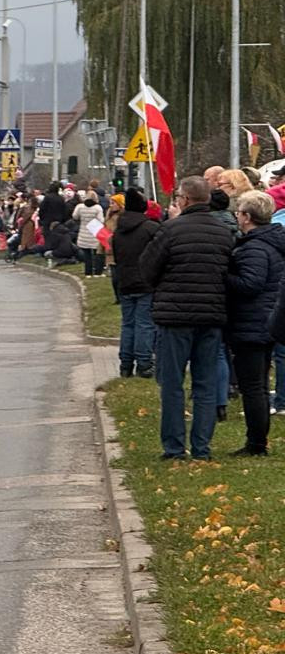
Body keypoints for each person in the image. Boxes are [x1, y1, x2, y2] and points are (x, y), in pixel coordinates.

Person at [142, 176, 233, 460]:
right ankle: (202, 447)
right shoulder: (223, 233)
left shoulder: (170, 230)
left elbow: (148, 269)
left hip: (175, 316)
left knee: (172, 383)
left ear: (185, 199)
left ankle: (174, 446)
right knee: (205, 384)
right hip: (211, 315)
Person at [225, 189, 285, 455]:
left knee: (253, 387)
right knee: (258, 383)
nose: (237, 217)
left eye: (238, 213)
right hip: (268, 319)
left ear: (247, 217)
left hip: (252, 322)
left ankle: (256, 442)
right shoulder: (273, 242)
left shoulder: (254, 247)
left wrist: (224, 274)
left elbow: (251, 284)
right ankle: (258, 439)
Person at [112, 189, 158, 378]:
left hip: (125, 281)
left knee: (128, 324)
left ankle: (126, 364)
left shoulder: (118, 230)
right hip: (146, 282)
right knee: (145, 324)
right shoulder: (150, 229)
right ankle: (144, 363)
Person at [73, 191, 107, 277]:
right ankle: (97, 272)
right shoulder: (97, 208)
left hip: (84, 232)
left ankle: (88, 272)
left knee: (87, 254)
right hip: (95, 233)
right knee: (97, 254)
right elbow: (101, 220)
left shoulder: (80, 207)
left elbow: (75, 216)